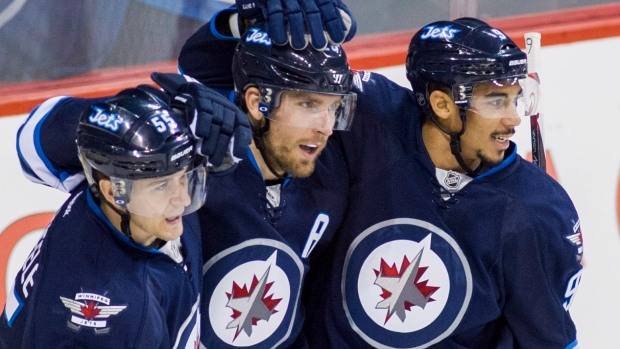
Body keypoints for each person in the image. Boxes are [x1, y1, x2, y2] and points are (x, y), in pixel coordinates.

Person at [182, 11, 584, 348]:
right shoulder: (370, 117)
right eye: (495, 101)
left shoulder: (539, 213)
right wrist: (249, 19)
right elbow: (227, 75)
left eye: (516, 99)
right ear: (443, 105)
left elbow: (548, 339)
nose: (513, 118)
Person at [10, 10, 357, 349]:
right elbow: (34, 144)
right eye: (308, 104)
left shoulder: (183, 178)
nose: (326, 126)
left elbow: (200, 65)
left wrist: (237, 24)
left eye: (333, 107)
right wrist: (150, 115)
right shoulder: (110, 307)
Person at [0, 86, 210, 348]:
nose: (184, 199)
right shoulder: (103, 321)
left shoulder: (108, 191)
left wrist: (130, 119)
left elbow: (42, 135)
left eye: (184, 178)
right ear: (113, 192)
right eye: (162, 186)